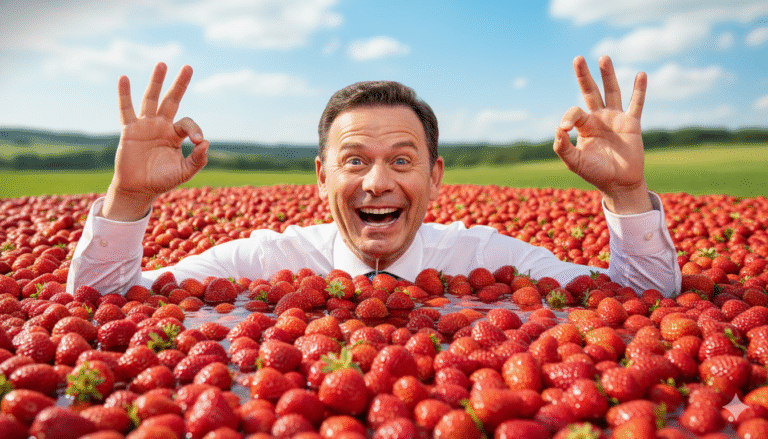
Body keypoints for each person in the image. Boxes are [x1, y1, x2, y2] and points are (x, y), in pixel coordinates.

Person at [66, 55, 681, 297]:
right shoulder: (264, 261)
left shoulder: (487, 259)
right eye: (355, 160)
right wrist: (128, 195)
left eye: (403, 161)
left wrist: (627, 194)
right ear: (321, 177)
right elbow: (106, 300)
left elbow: (639, 299)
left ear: (436, 178)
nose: (378, 182)